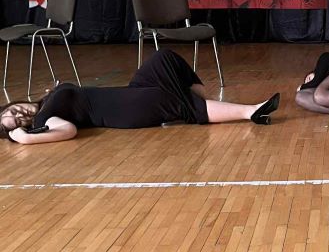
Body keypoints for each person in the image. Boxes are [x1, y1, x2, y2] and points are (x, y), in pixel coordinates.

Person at [0, 49, 281, 144]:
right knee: (172, 100)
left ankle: (194, 104)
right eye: (16, 121)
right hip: (125, 110)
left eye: (11, 111)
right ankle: (249, 111)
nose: (18, 114)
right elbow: (68, 131)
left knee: (164, 59)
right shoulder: (46, 119)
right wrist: (26, 138)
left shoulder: (46, 101)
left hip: (128, 92)